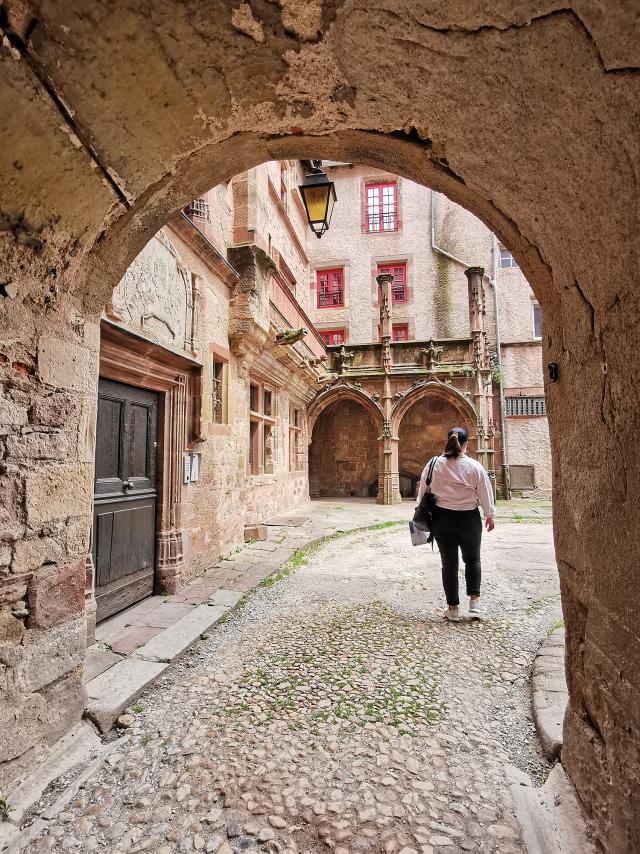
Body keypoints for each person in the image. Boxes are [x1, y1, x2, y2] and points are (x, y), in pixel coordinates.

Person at [417, 426, 495, 621]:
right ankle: (474, 605)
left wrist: (420, 510)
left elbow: (423, 489)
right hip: (468, 518)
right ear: (466, 445)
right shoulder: (474, 466)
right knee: (473, 559)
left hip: (442, 519)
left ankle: (453, 609)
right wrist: (489, 514)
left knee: (449, 564)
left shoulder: (434, 463)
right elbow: (485, 491)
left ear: (448, 441)